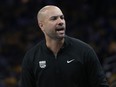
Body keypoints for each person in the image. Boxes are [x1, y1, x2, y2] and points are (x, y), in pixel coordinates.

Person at [20, 5, 109, 87]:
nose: (60, 22)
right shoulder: (31, 57)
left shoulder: (84, 51)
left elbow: (101, 85)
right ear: (41, 25)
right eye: (54, 18)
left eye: (62, 18)